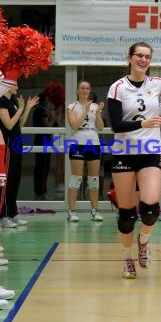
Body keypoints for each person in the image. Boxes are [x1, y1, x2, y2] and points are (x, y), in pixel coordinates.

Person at [107, 42, 161, 279]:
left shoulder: (157, 84)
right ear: (130, 58)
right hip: (124, 151)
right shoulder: (117, 88)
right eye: (139, 55)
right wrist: (142, 124)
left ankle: (143, 241)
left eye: (147, 57)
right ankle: (127, 259)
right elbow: (115, 124)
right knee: (126, 215)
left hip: (149, 151)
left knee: (149, 208)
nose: (143, 60)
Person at [0, 82, 39, 227]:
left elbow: (19, 124)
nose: (17, 86)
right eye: (14, 84)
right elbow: (8, 124)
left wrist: (26, 108)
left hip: (16, 143)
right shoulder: (0, 101)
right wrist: (20, 108)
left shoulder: (13, 101)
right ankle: (2, 215)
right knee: (6, 181)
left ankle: (12, 213)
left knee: (15, 180)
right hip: (7, 144)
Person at [66, 80, 105, 222]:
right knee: (76, 179)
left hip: (93, 144)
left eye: (87, 88)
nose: (85, 90)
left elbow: (100, 127)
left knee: (94, 180)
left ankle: (94, 211)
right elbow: (74, 126)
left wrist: (98, 112)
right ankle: (71, 211)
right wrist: (85, 111)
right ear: (77, 90)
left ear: (90, 90)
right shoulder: (72, 107)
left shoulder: (95, 106)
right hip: (78, 144)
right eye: (82, 88)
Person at [33, 90, 56, 200]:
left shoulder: (38, 111)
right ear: (42, 101)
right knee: (43, 166)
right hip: (43, 140)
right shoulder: (42, 111)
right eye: (46, 99)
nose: (48, 101)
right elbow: (48, 126)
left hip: (40, 139)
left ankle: (40, 190)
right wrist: (53, 116)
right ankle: (41, 191)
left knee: (41, 165)